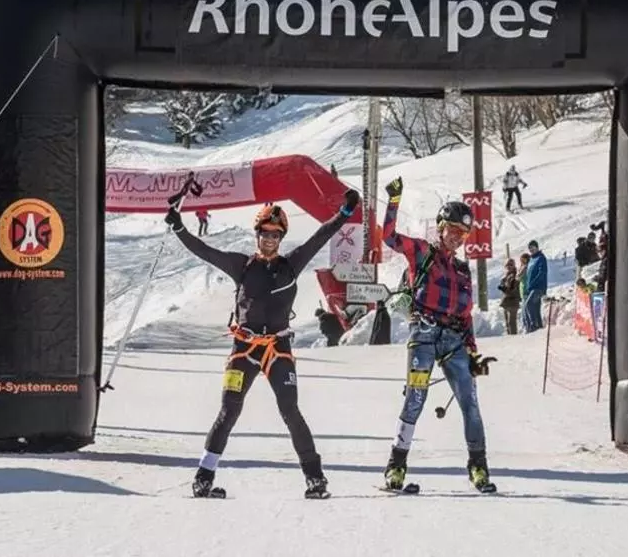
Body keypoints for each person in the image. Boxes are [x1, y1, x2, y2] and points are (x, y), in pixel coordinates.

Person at [166, 188, 360, 500]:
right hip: (244, 349)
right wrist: (178, 226)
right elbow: (203, 250)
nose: (270, 239)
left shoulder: (291, 264)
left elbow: (321, 236)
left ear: (281, 238)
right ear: (257, 234)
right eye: (265, 233)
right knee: (228, 411)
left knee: (290, 410)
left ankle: (315, 478)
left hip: (277, 350)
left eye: (275, 235)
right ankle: (203, 477)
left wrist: (345, 212)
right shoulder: (241, 265)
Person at [379, 176, 498, 494]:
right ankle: (396, 466)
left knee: (470, 403)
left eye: (463, 233)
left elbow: (465, 314)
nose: (457, 237)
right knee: (416, 398)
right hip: (424, 336)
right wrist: (393, 201)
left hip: (454, 341)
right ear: (441, 227)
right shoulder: (422, 252)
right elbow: (388, 237)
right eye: (453, 230)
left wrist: (473, 354)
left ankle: (478, 467)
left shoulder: (462, 270)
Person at [524, 240, 548, 332]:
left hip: (538, 287)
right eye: (529, 248)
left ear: (537, 247)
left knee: (529, 304)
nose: (531, 249)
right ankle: (539, 327)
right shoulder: (531, 259)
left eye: (533, 247)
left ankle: (534, 326)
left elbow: (542, 272)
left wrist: (533, 283)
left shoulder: (541, 258)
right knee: (535, 307)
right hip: (531, 287)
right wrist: (528, 286)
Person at [497, 259, 521, 335]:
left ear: (514, 266)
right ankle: (510, 337)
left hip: (513, 301)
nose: (509, 266)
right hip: (506, 302)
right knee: (507, 323)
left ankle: (513, 339)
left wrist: (503, 288)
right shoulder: (506, 276)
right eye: (507, 265)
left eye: (511, 265)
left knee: (511, 323)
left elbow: (513, 290)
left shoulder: (515, 276)